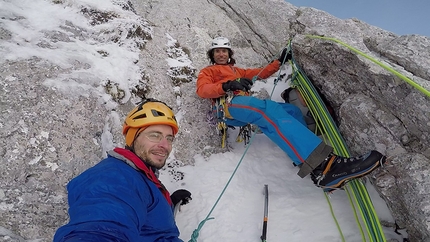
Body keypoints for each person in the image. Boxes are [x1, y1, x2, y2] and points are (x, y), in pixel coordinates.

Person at [196, 36, 386, 190]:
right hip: (229, 105)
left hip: (241, 106)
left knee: (291, 111)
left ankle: (311, 165)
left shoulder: (236, 70)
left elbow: (260, 72)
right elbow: (202, 90)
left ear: (229, 53)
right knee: (268, 109)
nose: (221, 54)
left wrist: (280, 61)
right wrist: (227, 85)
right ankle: (324, 165)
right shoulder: (208, 71)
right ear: (212, 54)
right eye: (217, 51)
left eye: (224, 50)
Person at [54, 99, 192, 241]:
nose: (165, 145)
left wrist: (168, 203)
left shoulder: (140, 173)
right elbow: (100, 230)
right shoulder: (114, 179)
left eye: (169, 138)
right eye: (154, 135)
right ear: (132, 138)